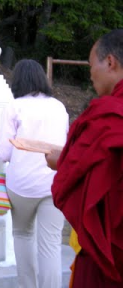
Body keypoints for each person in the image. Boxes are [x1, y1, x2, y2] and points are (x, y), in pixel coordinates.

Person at [47, 29, 123, 287]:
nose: (90, 74)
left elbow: (79, 174)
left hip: (109, 253)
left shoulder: (106, 116)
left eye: (92, 65)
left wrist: (62, 162)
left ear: (110, 62)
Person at [0, 59, 69, 288]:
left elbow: (4, 153)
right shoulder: (59, 106)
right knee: (51, 245)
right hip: (54, 182)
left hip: (22, 185)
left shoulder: (13, 107)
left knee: (23, 234)